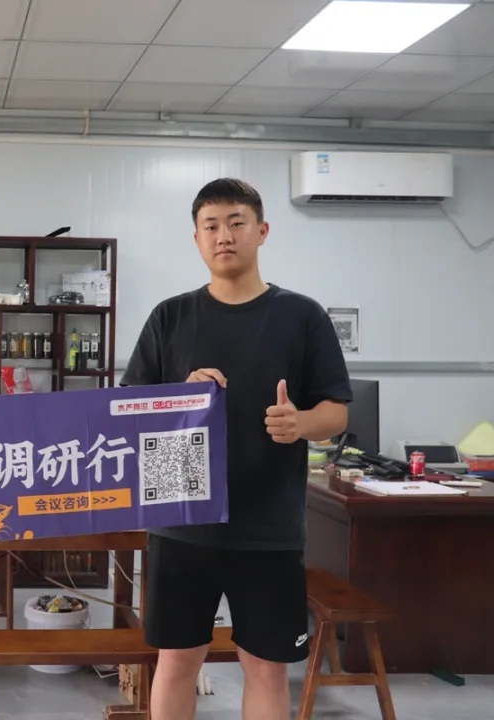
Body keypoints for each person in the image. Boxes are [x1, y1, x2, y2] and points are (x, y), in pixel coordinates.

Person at [120, 178, 351, 720]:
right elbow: (129, 409)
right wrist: (177, 397)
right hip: (181, 521)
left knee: (266, 667)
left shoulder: (302, 316)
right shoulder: (170, 317)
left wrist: (301, 422)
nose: (224, 235)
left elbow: (337, 412)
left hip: (268, 527)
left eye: (236, 222)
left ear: (262, 231)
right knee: (177, 660)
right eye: (211, 226)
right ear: (197, 239)